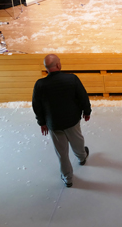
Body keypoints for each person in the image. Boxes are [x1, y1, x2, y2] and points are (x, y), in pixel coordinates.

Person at [32, 54, 91, 188]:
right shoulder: (72, 79)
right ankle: (82, 157)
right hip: (72, 120)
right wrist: (87, 111)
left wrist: (42, 123)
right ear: (58, 65)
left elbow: (37, 106)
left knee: (61, 153)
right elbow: (83, 97)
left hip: (54, 124)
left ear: (46, 68)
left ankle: (67, 178)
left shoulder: (40, 84)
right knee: (77, 140)